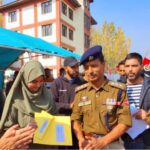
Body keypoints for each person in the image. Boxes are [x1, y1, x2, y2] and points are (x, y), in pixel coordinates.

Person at [71, 45, 132, 149]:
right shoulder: (80, 92)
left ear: (103, 65)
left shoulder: (118, 91)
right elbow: (75, 119)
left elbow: (125, 122)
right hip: (88, 144)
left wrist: (102, 142)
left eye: (94, 66)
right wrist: (81, 139)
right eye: (86, 67)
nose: (90, 71)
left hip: (112, 143)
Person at [0, 60, 57, 149]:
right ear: (24, 79)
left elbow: (55, 118)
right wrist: (26, 130)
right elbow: (7, 132)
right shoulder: (15, 101)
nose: (38, 85)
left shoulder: (48, 96)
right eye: (33, 81)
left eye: (41, 81)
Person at [122, 52, 150, 149]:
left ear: (141, 66)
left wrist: (147, 116)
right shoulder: (117, 87)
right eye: (127, 66)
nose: (130, 69)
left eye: (134, 66)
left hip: (145, 140)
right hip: (122, 140)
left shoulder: (148, 86)